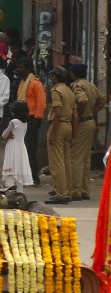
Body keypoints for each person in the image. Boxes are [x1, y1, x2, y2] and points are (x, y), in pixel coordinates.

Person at [68, 63, 102, 201]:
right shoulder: (91, 85)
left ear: (74, 74)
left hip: (82, 123)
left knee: (75, 158)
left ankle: (76, 190)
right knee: (86, 158)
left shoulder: (77, 86)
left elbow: (82, 100)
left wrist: (79, 115)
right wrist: (91, 112)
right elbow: (102, 99)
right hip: (90, 122)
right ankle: (84, 189)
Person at [47, 68, 78, 205]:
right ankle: (68, 191)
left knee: (56, 162)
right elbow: (75, 116)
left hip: (58, 126)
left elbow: (57, 112)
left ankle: (61, 193)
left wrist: (53, 133)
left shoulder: (56, 91)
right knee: (66, 161)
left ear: (54, 77)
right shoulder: (70, 91)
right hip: (68, 126)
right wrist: (74, 135)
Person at [15, 60, 47, 183]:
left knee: (30, 148)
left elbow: (41, 102)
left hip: (32, 118)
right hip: (24, 119)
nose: (18, 70)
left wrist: (37, 119)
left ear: (28, 69)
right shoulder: (23, 82)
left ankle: (33, 177)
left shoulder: (35, 84)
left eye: (21, 67)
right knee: (24, 147)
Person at [0, 102, 34, 190]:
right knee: (19, 171)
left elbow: (4, 135)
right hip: (21, 147)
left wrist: (7, 136)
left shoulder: (13, 122)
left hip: (12, 146)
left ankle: (10, 190)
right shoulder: (25, 123)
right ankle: (20, 193)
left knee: (11, 170)